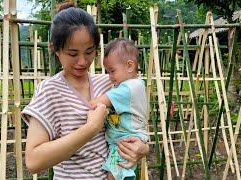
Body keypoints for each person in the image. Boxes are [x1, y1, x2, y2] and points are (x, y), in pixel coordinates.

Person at [21, 2, 149, 180]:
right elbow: (34, 161)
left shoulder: (110, 84)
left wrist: (142, 148)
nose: (82, 61)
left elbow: (134, 122)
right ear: (55, 50)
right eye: (73, 54)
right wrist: (90, 129)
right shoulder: (49, 91)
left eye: (89, 52)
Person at [90, 39, 148, 180]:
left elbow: (96, 103)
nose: (109, 77)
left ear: (129, 66)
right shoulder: (131, 85)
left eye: (112, 71)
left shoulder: (129, 88)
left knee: (114, 175)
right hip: (125, 139)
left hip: (125, 141)